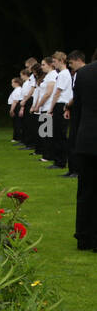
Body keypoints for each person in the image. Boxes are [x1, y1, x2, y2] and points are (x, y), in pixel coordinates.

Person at [71, 49, 97, 249]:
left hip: (86, 138)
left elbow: (77, 109)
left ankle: (83, 236)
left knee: (85, 189)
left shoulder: (83, 74)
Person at [63, 51, 87, 177]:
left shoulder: (83, 74)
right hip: (75, 109)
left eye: (71, 63)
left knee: (76, 140)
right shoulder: (77, 74)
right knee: (72, 139)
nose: (70, 66)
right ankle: (72, 168)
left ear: (78, 60)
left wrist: (67, 105)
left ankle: (76, 169)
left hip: (80, 110)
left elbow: (77, 95)